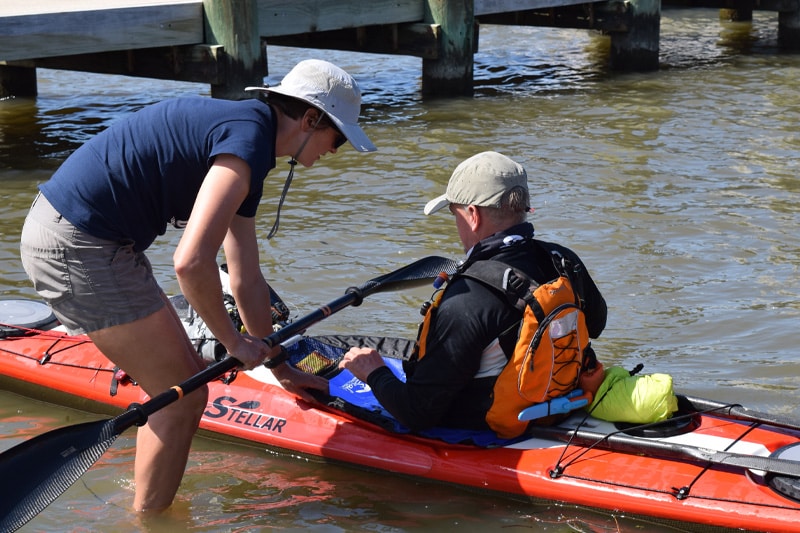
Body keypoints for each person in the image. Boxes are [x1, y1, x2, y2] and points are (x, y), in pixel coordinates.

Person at [19, 59, 375, 513]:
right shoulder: (245, 143)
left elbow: (244, 273)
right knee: (183, 398)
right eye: (338, 136)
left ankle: (145, 505)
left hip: (97, 239)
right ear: (309, 119)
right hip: (78, 242)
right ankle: (149, 521)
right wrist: (231, 342)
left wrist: (279, 364)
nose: (336, 149)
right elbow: (189, 263)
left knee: (179, 390)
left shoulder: (249, 140)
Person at [339, 151, 607, 433]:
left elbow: (417, 413)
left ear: (473, 215)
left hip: (487, 426)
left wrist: (374, 373)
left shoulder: (467, 297)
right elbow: (596, 325)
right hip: (560, 404)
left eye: (454, 214)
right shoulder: (563, 260)